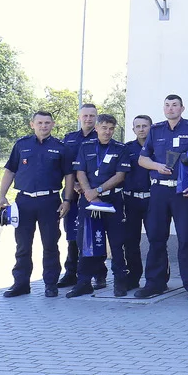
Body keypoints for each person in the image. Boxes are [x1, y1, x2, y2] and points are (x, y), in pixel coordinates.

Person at [135, 95, 188, 300]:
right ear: (164, 109)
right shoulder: (156, 129)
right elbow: (143, 159)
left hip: (184, 192)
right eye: (167, 105)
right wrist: (157, 166)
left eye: (175, 105)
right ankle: (155, 283)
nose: (171, 109)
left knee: (186, 238)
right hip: (159, 191)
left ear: (182, 108)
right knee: (156, 238)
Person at [0, 111, 74, 298]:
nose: (43, 126)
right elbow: (10, 170)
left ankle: (50, 284)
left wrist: (67, 200)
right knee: (23, 245)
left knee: (50, 244)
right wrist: (1, 196)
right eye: (39, 122)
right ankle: (21, 283)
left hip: (49, 201)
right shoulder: (21, 145)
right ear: (32, 124)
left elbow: (69, 175)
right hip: (24, 201)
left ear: (53, 124)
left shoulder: (60, 148)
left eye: (47, 122)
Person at [66, 114, 131, 298]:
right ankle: (84, 282)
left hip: (112, 200)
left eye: (111, 128)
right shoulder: (86, 147)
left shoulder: (121, 148)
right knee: (86, 241)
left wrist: (99, 190)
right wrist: (89, 193)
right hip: (89, 201)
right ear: (96, 128)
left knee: (117, 242)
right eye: (104, 127)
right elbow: (80, 171)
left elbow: (120, 176)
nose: (107, 131)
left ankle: (119, 281)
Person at [58, 103, 98, 288]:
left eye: (92, 116)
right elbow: (65, 166)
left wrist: (88, 188)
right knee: (72, 235)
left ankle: (98, 273)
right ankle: (71, 273)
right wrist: (73, 185)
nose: (88, 119)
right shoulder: (69, 139)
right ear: (79, 117)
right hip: (72, 194)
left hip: (93, 194)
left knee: (94, 234)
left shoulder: (102, 136)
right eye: (85, 116)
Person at [121, 115, 153, 290]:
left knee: (156, 239)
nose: (141, 129)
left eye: (145, 126)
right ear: (133, 129)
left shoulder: (157, 148)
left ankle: (157, 278)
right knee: (131, 241)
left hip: (152, 200)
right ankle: (133, 277)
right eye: (138, 126)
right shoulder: (126, 149)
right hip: (131, 200)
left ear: (151, 127)